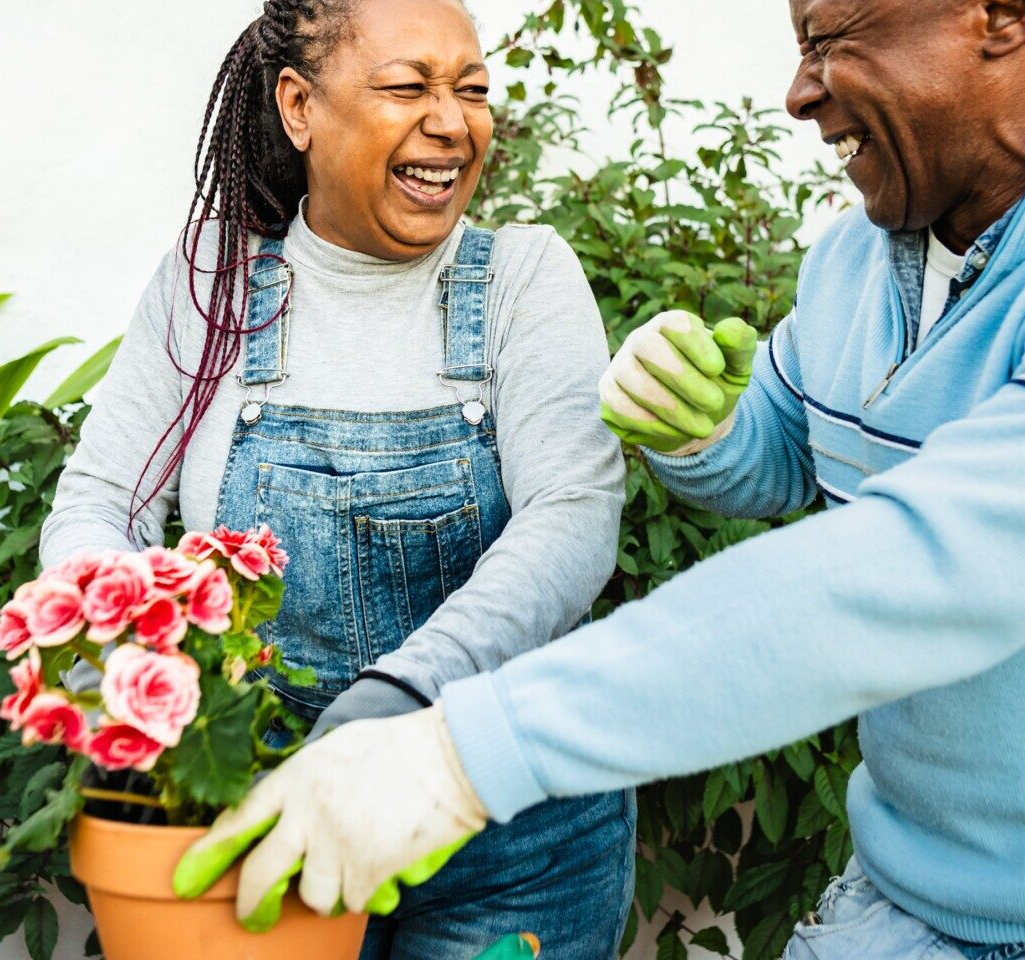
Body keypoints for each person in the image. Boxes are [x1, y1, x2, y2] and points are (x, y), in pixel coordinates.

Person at [174, 1, 1025, 957]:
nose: (800, 91)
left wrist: (462, 750)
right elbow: (786, 454)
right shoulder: (861, 258)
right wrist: (700, 433)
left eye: (835, 40)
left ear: (1005, 15)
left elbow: (920, 570)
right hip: (903, 906)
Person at [38, 0, 635, 956]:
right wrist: (130, 662)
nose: (452, 121)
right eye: (409, 87)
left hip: (508, 831)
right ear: (299, 106)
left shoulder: (522, 278)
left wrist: (401, 693)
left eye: (471, 89)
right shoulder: (215, 284)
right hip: (270, 818)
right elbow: (104, 502)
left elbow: (572, 515)